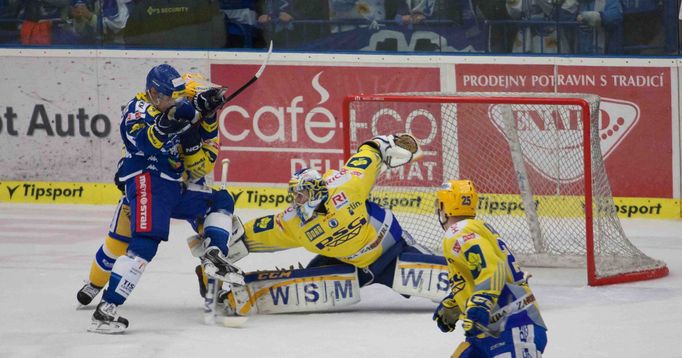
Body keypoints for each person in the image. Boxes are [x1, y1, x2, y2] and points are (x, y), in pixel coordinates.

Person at [191, 133, 454, 315]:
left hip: (392, 253)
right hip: (347, 264)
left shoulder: (348, 185)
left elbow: (372, 151)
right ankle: (236, 295)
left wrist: (394, 143)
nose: (296, 201)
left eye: (301, 195)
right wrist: (216, 247)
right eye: (294, 195)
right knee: (305, 284)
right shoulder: (293, 223)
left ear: (316, 190)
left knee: (452, 286)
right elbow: (247, 237)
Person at [86, 64, 242, 334]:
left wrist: (206, 109)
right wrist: (169, 123)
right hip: (148, 181)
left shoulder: (174, 104)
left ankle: (214, 253)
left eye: (181, 95)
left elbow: (195, 127)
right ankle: (107, 308)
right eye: (172, 96)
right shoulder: (137, 109)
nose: (177, 101)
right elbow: (145, 143)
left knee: (220, 200)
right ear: (155, 93)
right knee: (144, 245)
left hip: (174, 187)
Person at [432, 180, 547, 357]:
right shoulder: (476, 228)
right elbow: (478, 272)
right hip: (489, 332)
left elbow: (492, 268)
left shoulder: (457, 232)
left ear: (443, 208)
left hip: (514, 325)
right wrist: (456, 303)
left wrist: (480, 302)